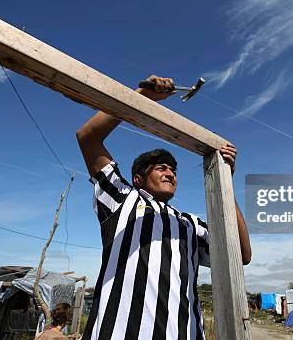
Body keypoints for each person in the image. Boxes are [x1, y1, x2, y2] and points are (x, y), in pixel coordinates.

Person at [76, 75, 252, 340]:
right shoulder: (122, 199)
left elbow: (240, 255)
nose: (170, 173)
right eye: (161, 168)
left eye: (173, 169)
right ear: (138, 179)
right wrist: (142, 96)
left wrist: (226, 181)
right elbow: (88, 136)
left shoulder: (190, 224)